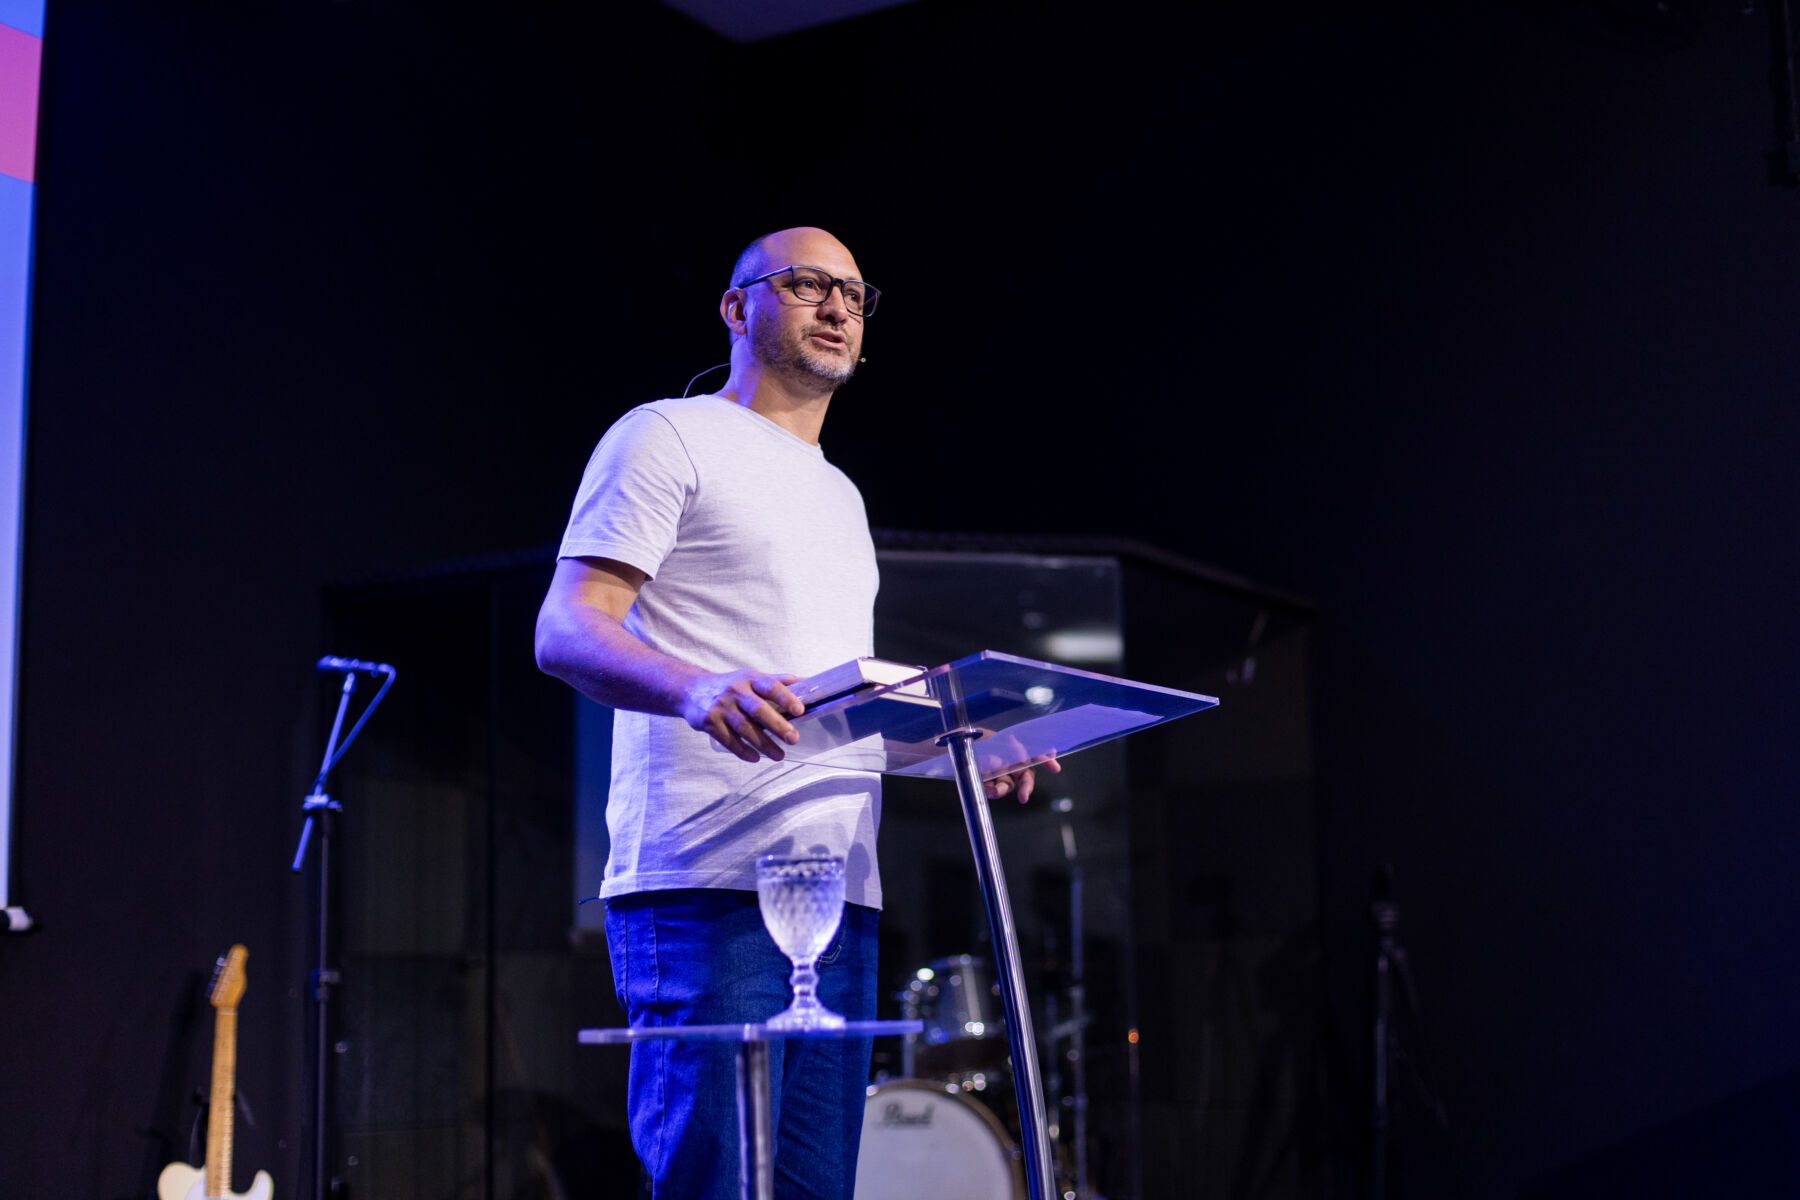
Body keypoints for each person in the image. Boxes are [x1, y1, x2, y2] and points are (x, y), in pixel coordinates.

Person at [535, 226, 1048, 1198]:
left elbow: (835, 715)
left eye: (855, 293)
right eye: (808, 283)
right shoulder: (667, 435)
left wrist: (959, 744)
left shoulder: (841, 497)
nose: (838, 305)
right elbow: (566, 628)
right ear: (737, 308)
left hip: (839, 903)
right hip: (710, 886)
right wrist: (696, 689)